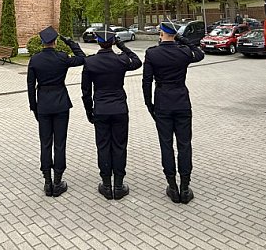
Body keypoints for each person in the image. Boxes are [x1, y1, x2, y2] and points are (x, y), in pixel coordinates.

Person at [143, 20, 205, 204]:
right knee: (184, 144)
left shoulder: (152, 53)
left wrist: (149, 104)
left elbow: (146, 82)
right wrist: (182, 39)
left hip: (162, 103)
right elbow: (199, 54)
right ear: (175, 35)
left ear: (161, 34)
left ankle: (172, 185)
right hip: (182, 102)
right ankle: (185, 188)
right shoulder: (184, 52)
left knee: (166, 145)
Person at [81, 27, 142, 200]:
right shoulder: (121, 60)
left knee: (103, 146)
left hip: (100, 109)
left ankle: (106, 185)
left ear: (98, 42)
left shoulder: (90, 62)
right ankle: (119, 184)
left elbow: (85, 91)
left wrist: (89, 111)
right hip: (120, 109)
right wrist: (122, 46)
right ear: (112, 42)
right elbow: (137, 61)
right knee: (120, 146)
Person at [27, 26, 86, 197]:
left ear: (42, 42)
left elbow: (30, 85)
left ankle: (47, 182)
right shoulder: (62, 57)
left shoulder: (35, 60)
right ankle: (58, 181)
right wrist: (70, 42)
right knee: (60, 143)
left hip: (43, 105)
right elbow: (82, 58)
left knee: (45, 143)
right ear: (54, 41)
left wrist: (34, 106)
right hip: (60, 104)